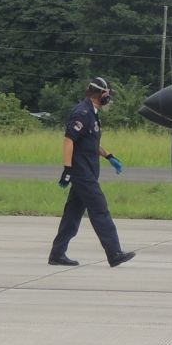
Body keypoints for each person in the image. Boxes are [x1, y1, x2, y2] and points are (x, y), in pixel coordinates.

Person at [48, 76, 135, 267]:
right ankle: (114, 253)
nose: (108, 98)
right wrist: (68, 169)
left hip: (87, 171)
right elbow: (69, 140)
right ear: (100, 94)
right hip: (82, 173)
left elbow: (91, 142)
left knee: (72, 214)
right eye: (107, 94)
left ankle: (57, 254)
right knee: (100, 209)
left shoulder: (92, 113)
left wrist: (109, 156)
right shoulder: (82, 112)